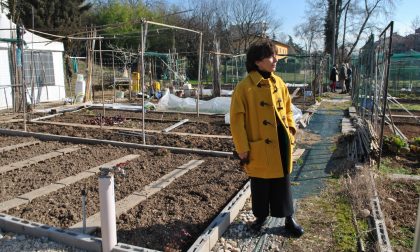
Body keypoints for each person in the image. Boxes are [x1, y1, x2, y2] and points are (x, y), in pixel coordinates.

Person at [230, 40, 304, 237]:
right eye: (270, 56)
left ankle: (289, 218)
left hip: (281, 140)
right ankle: (261, 217)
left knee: (283, 180)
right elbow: (237, 121)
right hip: (259, 144)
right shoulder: (244, 88)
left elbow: (288, 109)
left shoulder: (278, 82)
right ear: (257, 61)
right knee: (261, 183)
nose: (275, 59)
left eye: (275, 55)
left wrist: (291, 130)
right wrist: (242, 148)